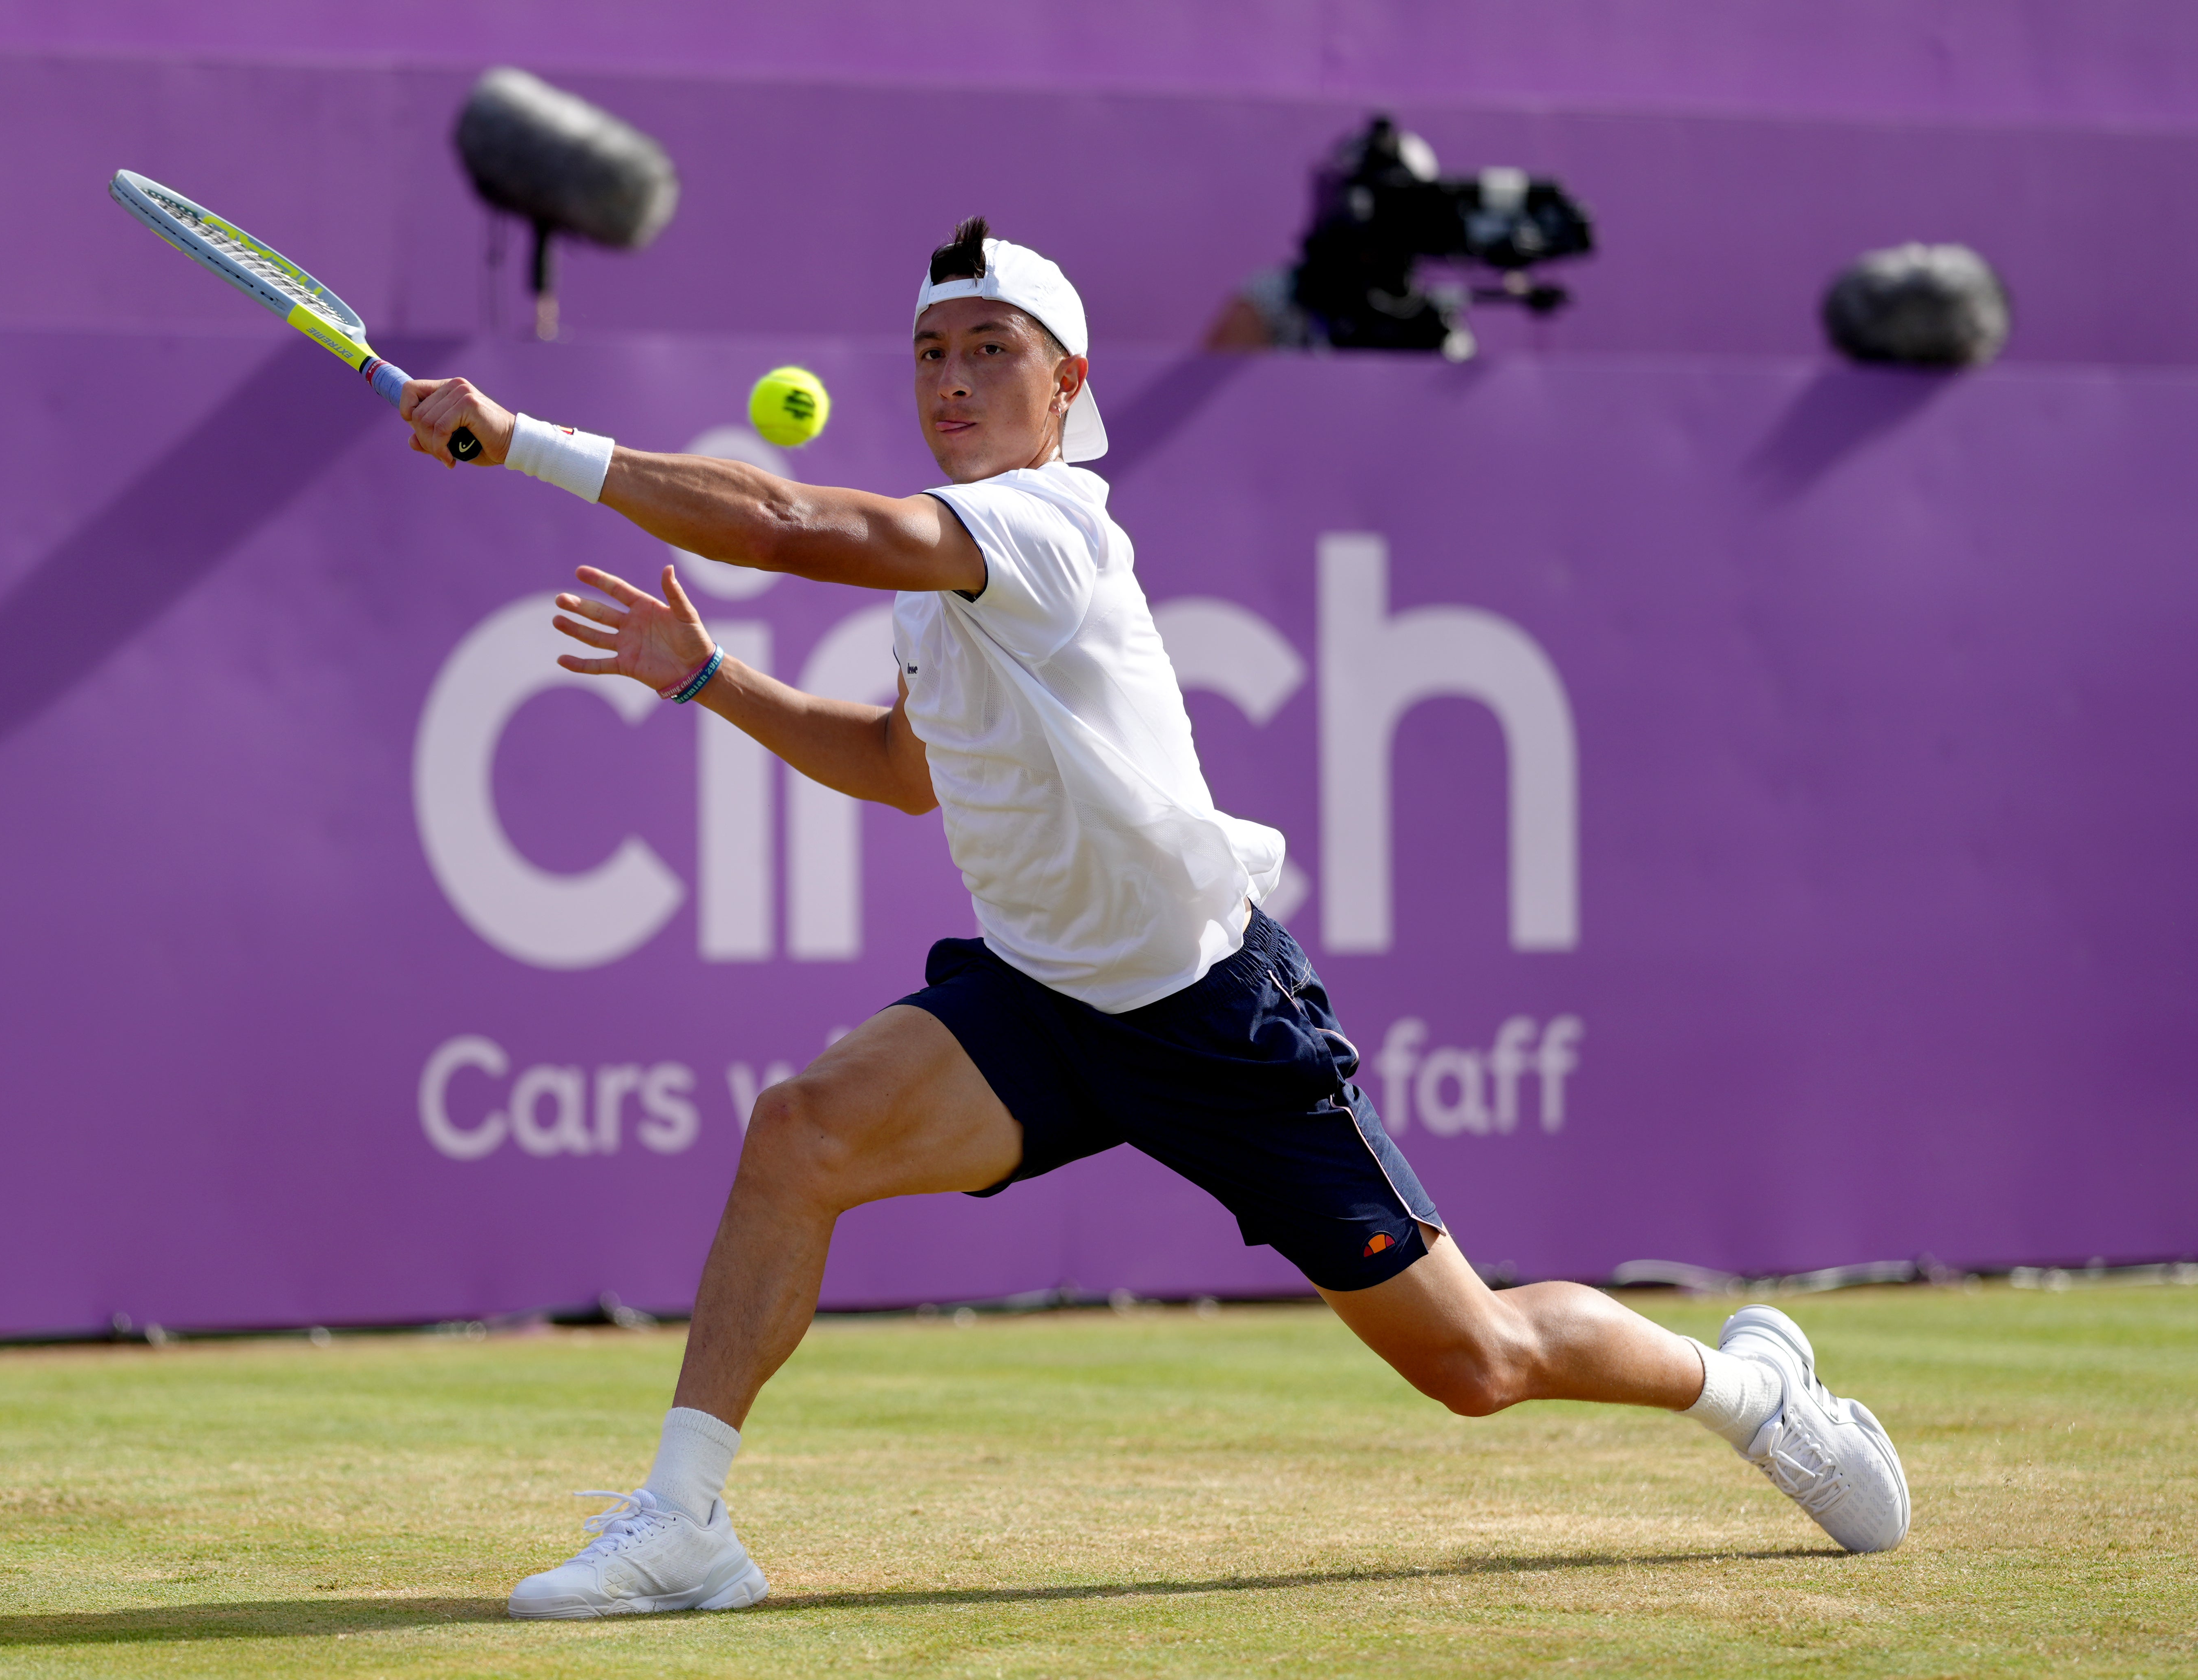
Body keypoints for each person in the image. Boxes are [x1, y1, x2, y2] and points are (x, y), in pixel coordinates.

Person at [397, 217, 1910, 1620]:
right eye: (932, 352)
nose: (955, 378)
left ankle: (1751, 1391)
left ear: (1067, 389)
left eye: (994, 349)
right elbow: (896, 771)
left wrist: (525, 442)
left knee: (1479, 1362)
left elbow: (797, 520)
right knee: (799, 1132)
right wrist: (709, 682)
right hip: (1042, 1002)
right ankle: (685, 1524)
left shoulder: (1048, 530)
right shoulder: (941, 585)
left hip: (1208, 1010)